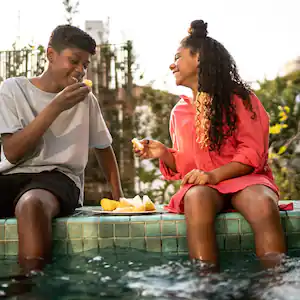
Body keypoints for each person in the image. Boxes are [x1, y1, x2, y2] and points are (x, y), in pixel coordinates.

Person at [133, 20, 286, 269]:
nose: (172, 64)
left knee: (262, 203)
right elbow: (189, 167)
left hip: (244, 180)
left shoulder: (241, 99)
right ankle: (205, 283)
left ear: (199, 59)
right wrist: (164, 153)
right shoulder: (179, 112)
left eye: (178, 57)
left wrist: (213, 175)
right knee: (195, 198)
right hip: (207, 186)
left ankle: (276, 282)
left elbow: (252, 153)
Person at [0, 25, 123, 272]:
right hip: (11, 175)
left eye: (85, 65)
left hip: (59, 178)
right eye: (74, 61)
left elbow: (103, 147)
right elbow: (12, 152)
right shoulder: (12, 90)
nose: (80, 70)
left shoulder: (84, 99)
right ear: (50, 55)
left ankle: (30, 287)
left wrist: (119, 196)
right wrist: (55, 106)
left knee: (31, 204)